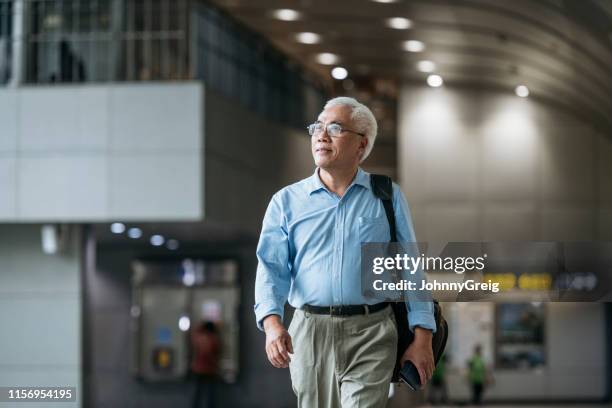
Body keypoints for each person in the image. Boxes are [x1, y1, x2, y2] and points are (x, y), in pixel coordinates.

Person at [254, 97, 436, 407]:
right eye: (318, 127)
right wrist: (272, 325)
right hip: (310, 332)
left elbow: (410, 267)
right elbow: (271, 269)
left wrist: (423, 337)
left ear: (361, 146)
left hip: (373, 330)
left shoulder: (386, 196)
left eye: (335, 129)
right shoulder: (286, 202)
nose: (321, 135)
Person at [190, 321, 221, 408]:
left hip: (198, 369)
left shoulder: (198, 337)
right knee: (210, 394)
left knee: (197, 394)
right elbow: (217, 353)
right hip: (210, 369)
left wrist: (201, 325)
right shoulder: (214, 339)